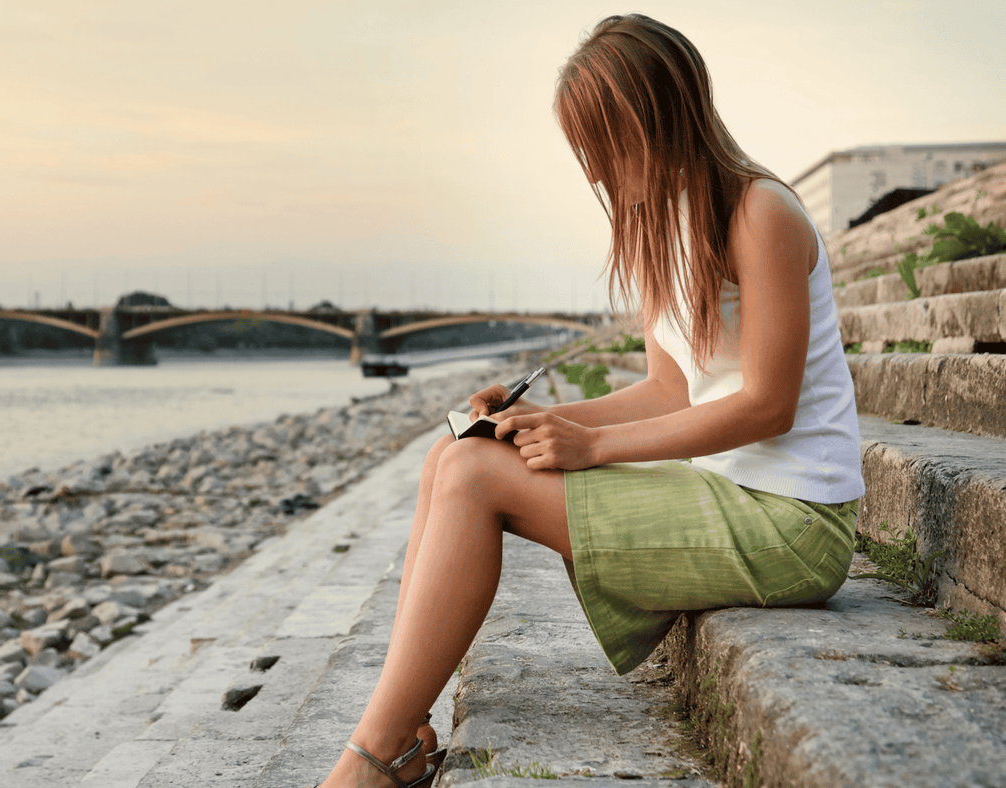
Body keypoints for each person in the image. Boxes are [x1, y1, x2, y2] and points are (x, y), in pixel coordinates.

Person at [311, 13, 864, 788]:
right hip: (727, 492)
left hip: (794, 519)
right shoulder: (664, 226)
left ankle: (374, 758)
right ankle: (396, 729)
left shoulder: (759, 212)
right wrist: (534, 422)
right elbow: (670, 389)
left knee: (473, 480)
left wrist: (591, 445)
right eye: (585, 150)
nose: (594, 172)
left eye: (604, 144)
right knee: (457, 452)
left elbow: (770, 405)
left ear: (657, 119)